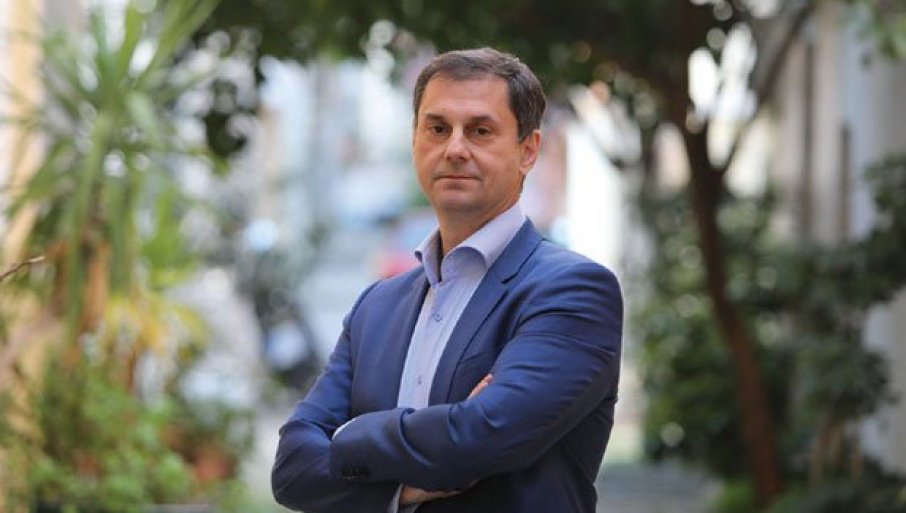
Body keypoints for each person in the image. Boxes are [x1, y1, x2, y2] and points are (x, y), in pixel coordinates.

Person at [271, 47, 623, 513]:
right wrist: (402, 487)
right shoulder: (376, 307)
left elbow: (477, 441)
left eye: (480, 130)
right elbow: (291, 468)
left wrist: (349, 435)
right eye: (437, 128)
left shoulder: (574, 291)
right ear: (415, 141)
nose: (455, 148)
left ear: (528, 150)